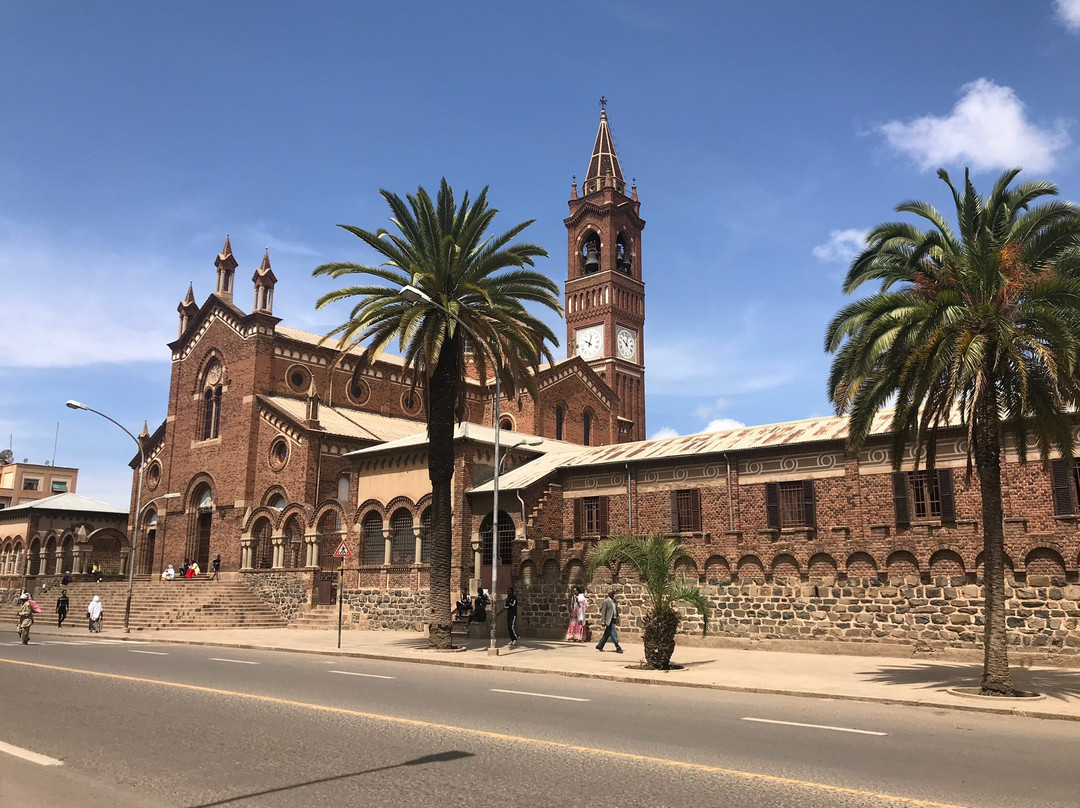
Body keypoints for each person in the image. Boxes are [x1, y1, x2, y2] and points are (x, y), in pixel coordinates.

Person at [596, 589, 624, 653]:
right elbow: (603, 612)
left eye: (613, 593)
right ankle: (618, 647)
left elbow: (615, 609)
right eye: (611, 593)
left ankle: (600, 646)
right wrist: (603, 621)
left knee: (607, 634)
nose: (613, 595)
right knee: (613, 632)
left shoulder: (614, 601)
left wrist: (617, 616)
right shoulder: (606, 601)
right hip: (609, 620)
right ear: (609, 594)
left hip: (614, 618)